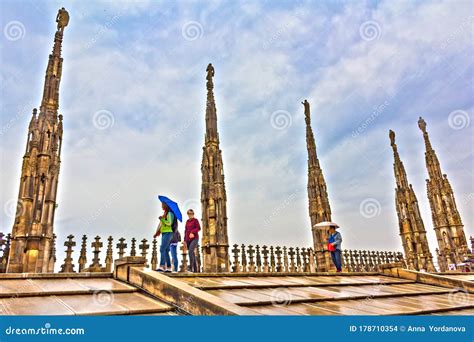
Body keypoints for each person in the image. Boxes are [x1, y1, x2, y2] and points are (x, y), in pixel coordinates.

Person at [153, 202, 174, 272]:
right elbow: (161, 225)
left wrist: (162, 219)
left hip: (168, 233)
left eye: (162, 205)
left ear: (165, 206)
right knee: (166, 250)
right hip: (164, 233)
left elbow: (169, 223)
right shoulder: (165, 214)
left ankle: (162, 266)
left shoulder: (170, 214)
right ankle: (168, 267)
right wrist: (156, 233)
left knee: (162, 249)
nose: (161, 206)